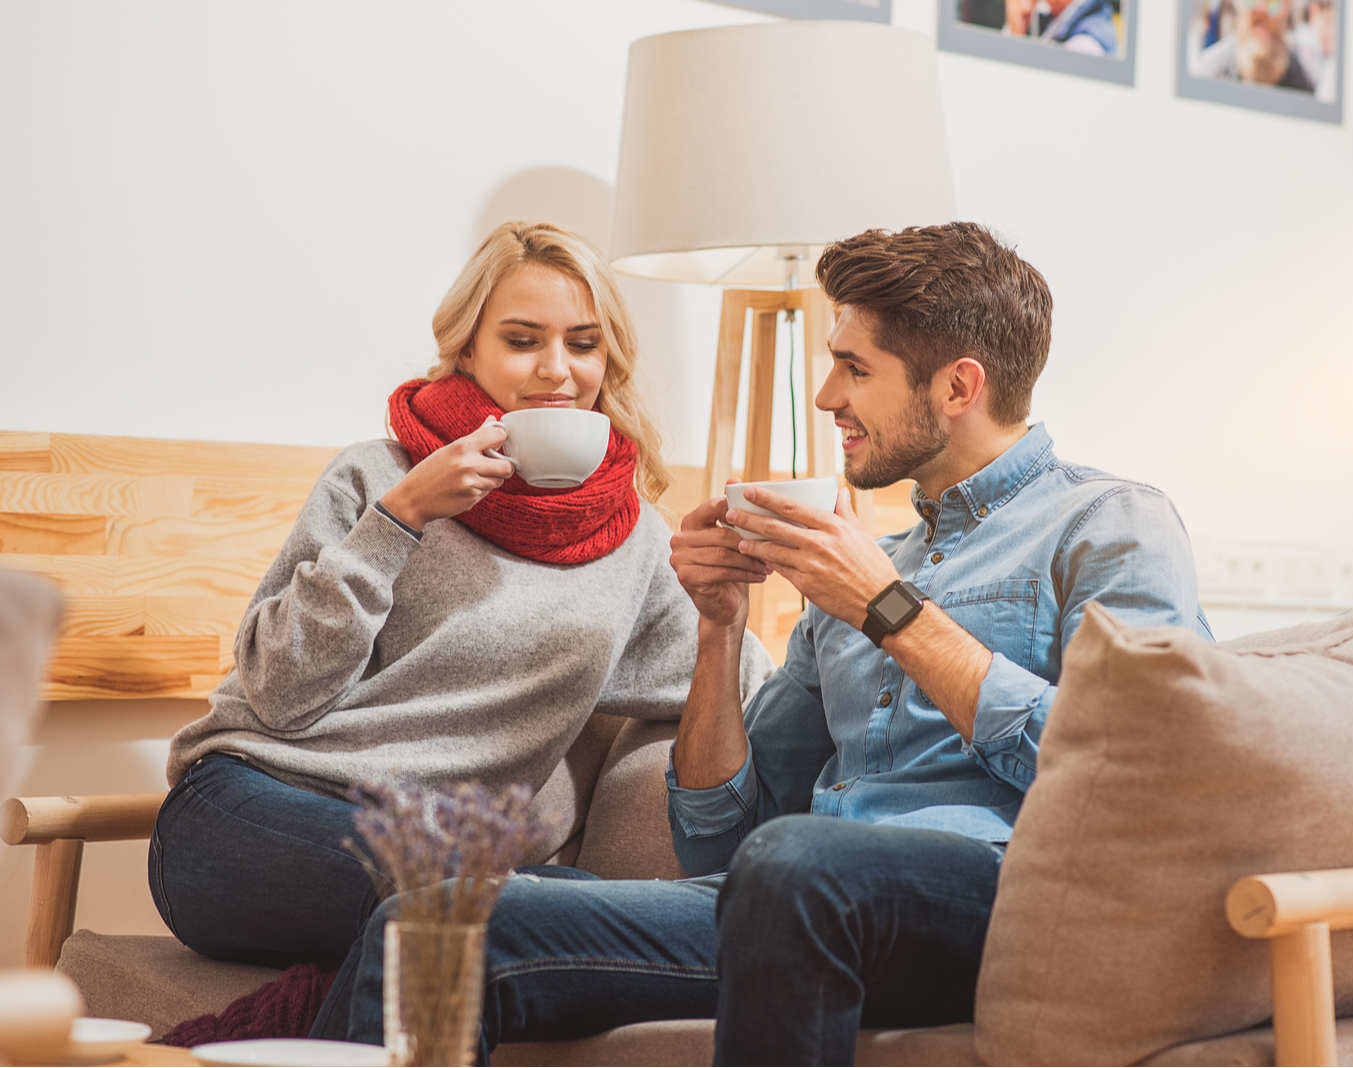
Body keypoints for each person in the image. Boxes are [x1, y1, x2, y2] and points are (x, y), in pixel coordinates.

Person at [312, 222, 1211, 1064]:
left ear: (958, 388)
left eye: (853, 370)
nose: (826, 397)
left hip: (1003, 898)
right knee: (432, 924)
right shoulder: (861, 567)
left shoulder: (1108, 525)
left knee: (800, 862)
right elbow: (724, 840)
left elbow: (1144, 775)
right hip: (792, 902)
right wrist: (718, 627)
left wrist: (885, 608)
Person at [150, 221, 771, 971]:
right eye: (521, 339)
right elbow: (278, 694)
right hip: (256, 805)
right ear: (467, 349)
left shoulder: (633, 541)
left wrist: (796, 594)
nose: (557, 372)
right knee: (487, 902)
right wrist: (402, 518)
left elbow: (749, 684)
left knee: (525, 910)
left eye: (583, 344)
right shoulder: (376, 478)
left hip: (448, 853)